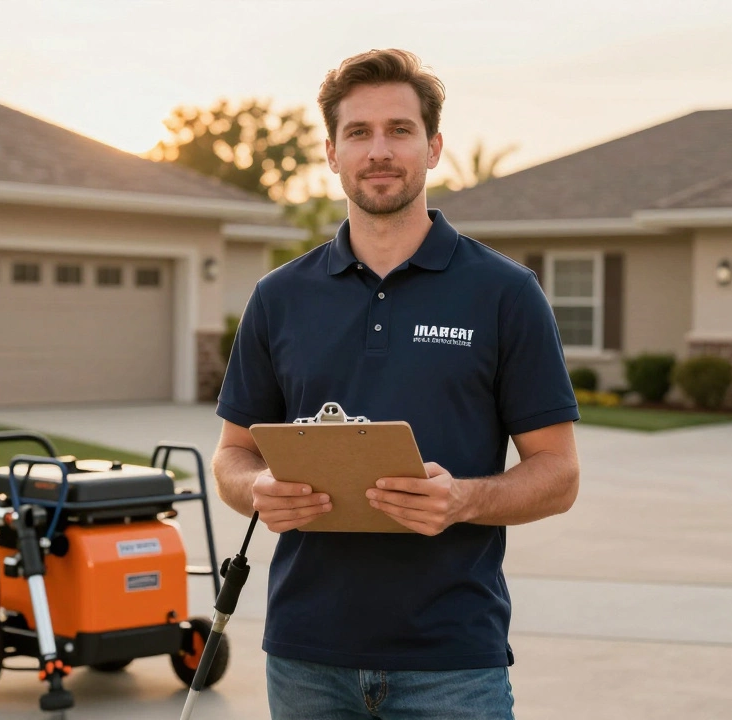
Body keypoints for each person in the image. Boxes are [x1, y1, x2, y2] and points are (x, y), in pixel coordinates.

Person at [212, 48, 581, 720]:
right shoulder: (278, 298)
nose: (378, 151)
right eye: (358, 133)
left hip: (452, 662)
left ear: (434, 147)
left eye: (399, 130)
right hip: (304, 658)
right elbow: (233, 457)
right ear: (330, 152)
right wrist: (257, 492)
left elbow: (558, 475)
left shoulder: (505, 295)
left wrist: (462, 500)